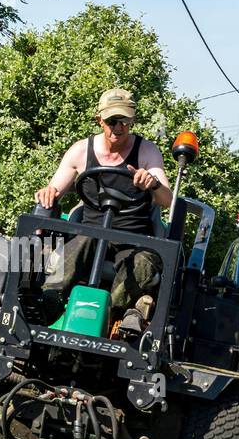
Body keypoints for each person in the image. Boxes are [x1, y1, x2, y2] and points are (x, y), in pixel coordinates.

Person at [33, 88, 172, 316]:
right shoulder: (80, 151)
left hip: (132, 241)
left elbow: (167, 201)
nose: (119, 127)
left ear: (132, 120)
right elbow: (53, 190)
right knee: (82, 239)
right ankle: (48, 302)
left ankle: (110, 315)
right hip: (90, 234)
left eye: (125, 121)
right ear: (100, 120)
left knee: (144, 261)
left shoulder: (147, 152)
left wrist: (153, 183)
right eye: (112, 121)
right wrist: (48, 192)